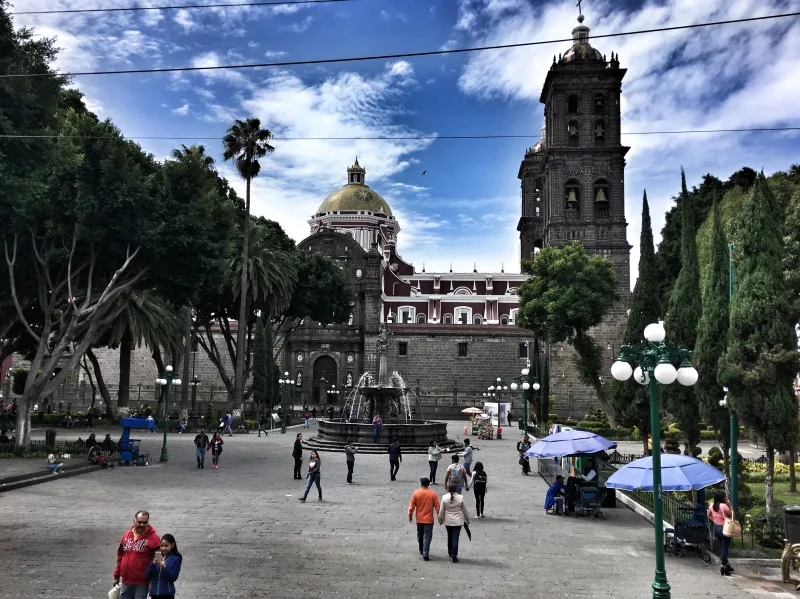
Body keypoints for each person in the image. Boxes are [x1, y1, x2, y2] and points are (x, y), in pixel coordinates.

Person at [113, 510, 161, 599]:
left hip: (142, 583)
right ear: (134, 521)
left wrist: (153, 582)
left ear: (148, 522)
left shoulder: (154, 539)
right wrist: (116, 575)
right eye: (139, 522)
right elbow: (120, 556)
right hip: (126, 581)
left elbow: (158, 561)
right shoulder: (126, 536)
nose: (142, 525)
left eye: (144, 522)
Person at [408, 477, 441, 561]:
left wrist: (410, 515)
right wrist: (440, 516)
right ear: (428, 484)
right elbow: (438, 507)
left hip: (419, 519)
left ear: (421, 484)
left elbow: (411, 506)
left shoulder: (416, 493)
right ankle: (425, 553)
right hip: (429, 519)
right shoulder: (433, 494)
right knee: (427, 536)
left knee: (420, 535)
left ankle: (421, 549)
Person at [438, 484, 470, 563]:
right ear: (456, 489)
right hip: (458, 521)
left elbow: (441, 510)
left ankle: (450, 551)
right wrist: (467, 520)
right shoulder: (460, 497)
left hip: (448, 520)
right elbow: (465, 510)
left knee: (449, 535)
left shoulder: (444, 497)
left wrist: (440, 520)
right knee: (455, 538)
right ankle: (454, 556)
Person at [145, 533, 182, 599]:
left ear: (172, 545)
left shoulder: (176, 558)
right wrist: (153, 564)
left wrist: (165, 567)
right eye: (162, 546)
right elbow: (148, 575)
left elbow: (173, 577)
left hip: (167, 593)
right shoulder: (157, 557)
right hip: (154, 593)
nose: (163, 548)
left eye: (166, 546)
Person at [708, 490, 734, 575]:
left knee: (722, 545)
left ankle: (727, 564)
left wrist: (715, 521)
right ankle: (723, 566)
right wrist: (729, 505)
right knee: (725, 547)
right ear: (723, 498)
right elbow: (732, 515)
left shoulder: (712, 505)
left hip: (716, 527)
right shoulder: (724, 506)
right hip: (724, 528)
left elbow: (709, 515)